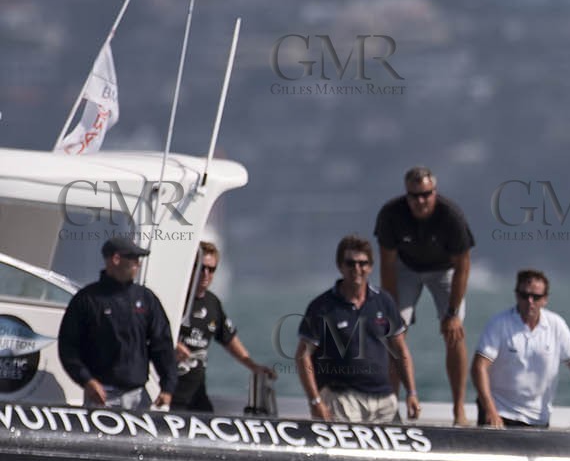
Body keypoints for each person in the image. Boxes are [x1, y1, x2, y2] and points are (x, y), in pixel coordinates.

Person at [374, 166, 474, 425]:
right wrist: (392, 308)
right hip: (406, 269)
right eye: (414, 195)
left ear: (434, 192)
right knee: (393, 334)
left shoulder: (451, 216)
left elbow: (463, 266)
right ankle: (390, 408)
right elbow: (387, 265)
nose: (420, 201)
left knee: (454, 332)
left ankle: (458, 409)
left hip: (445, 271)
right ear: (406, 195)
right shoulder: (391, 215)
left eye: (426, 194)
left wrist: (452, 314)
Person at [296, 235, 422, 423]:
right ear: (340, 266)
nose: (357, 269)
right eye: (350, 263)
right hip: (343, 400)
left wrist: (411, 392)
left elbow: (400, 349)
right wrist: (315, 401)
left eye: (362, 263)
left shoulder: (384, 301)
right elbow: (303, 356)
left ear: (370, 267)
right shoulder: (322, 307)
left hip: (384, 400)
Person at [472, 269, 570, 432]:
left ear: (545, 300)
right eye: (524, 295)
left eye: (536, 297)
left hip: (538, 418)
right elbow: (479, 366)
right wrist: (490, 409)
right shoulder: (499, 323)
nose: (530, 301)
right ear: (516, 295)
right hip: (499, 413)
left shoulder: (556, 324)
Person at [57, 235, 177, 411]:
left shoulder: (146, 299)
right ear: (116, 259)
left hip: (137, 395)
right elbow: (68, 347)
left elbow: (162, 344)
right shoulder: (88, 300)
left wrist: (168, 386)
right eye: (134, 259)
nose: (138, 264)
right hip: (101, 397)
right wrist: (87, 380)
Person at [172, 240, 274, 411]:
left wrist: (253, 366)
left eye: (211, 269)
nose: (205, 274)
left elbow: (228, 338)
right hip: (170, 392)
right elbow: (150, 335)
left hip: (196, 395)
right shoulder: (175, 300)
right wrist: (172, 346)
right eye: (200, 267)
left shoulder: (212, 303)